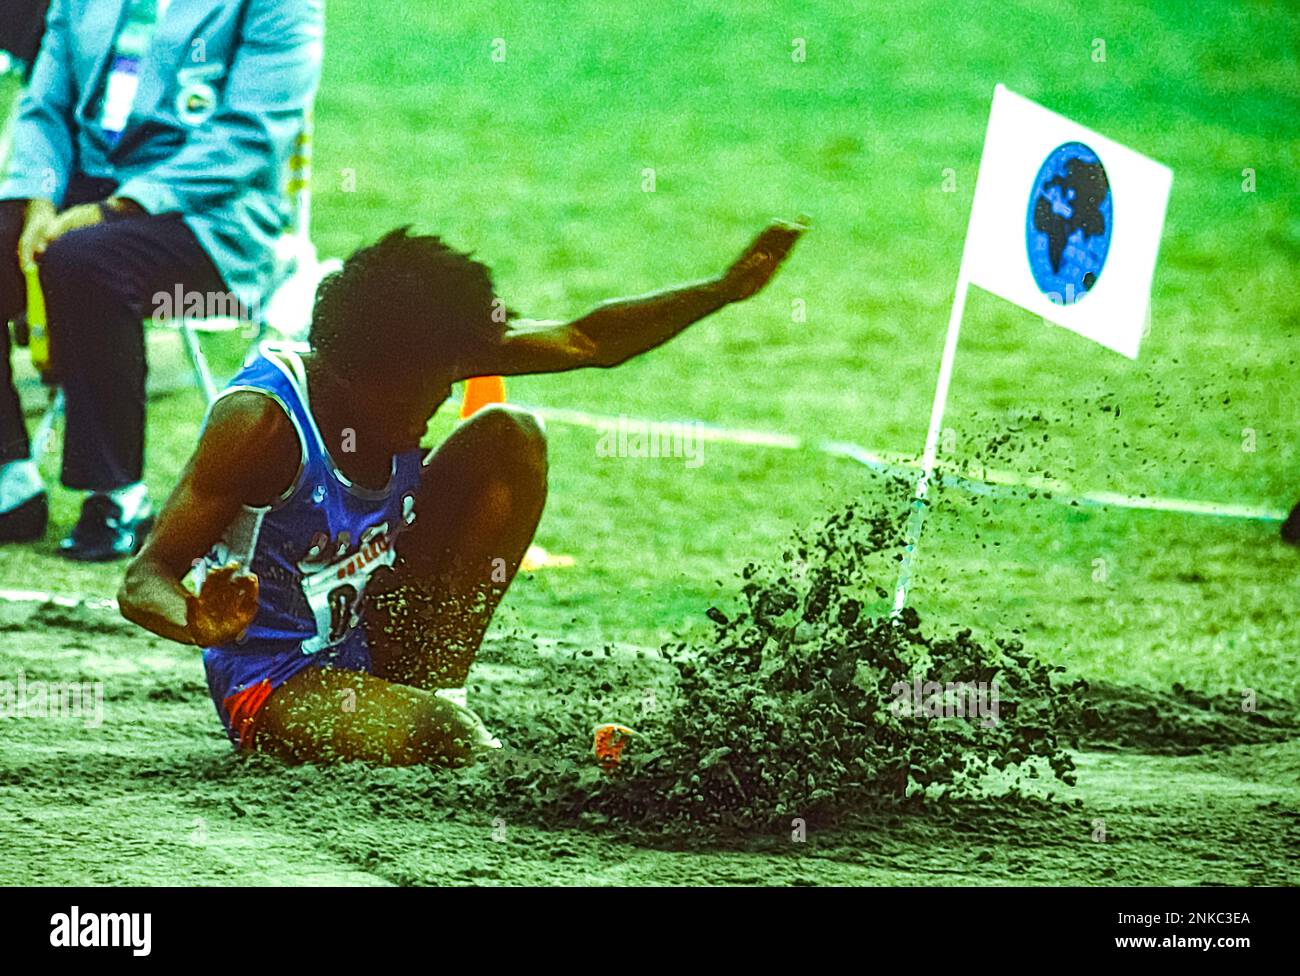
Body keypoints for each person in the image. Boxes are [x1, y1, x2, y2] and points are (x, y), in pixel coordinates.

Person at [117, 219, 807, 766]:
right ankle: (482, 750)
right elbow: (143, 579)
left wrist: (720, 290)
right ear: (370, 377)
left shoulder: (402, 353)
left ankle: (441, 688)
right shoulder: (260, 423)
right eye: (436, 381)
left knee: (510, 437)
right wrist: (197, 622)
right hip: (276, 683)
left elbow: (586, 340)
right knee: (441, 736)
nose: (448, 394)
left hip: (373, 634)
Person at [0, 0, 323, 560]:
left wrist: (121, 205)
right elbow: (44, 106)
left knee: (84, 259)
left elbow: (249, 135)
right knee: (52, 244)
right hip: (78, 196)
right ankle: (10, 476)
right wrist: (38, 199)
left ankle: (116, 495)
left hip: (209, 215)